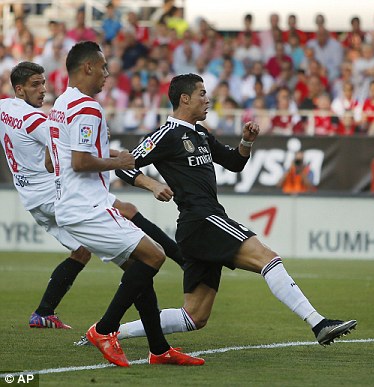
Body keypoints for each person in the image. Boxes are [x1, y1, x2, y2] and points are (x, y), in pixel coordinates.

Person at [114, 74, 355, 345]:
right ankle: (318, 323)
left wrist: (246, 142)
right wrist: (151, 184)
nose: (208, 100)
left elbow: (233, 162)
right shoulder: (167, 134)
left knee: (194, 316)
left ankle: (113, 331)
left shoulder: (200, 133)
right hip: (202, 218)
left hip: (197, 226)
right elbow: (124, 163)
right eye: (202, 94)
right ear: (184, 98)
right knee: (268, 258)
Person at [49, 41, 202, 367]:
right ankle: (104, 329)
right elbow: (80, 162)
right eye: (103, 67)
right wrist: (117, 159)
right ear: (87, 67)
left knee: (138, 270)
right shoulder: (87, 108)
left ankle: (159, 350)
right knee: (154, 255)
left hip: (75, 202)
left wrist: (106, 159)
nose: (107, 74)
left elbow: (54, 161)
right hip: (86, 205)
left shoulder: (61, 104)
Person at [0, 61, 185, 331]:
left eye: (43, 83)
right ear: (19, 89)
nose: (43, 90)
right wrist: (111, 150)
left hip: (32, 198)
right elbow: (61, 157)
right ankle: (184, 262)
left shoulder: (5, 107)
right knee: (128, 213)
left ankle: (43, 312)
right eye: (35, 85)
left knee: (82, 251)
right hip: (54, 194)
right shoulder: (37, 121)